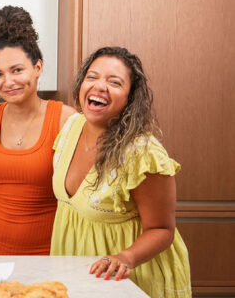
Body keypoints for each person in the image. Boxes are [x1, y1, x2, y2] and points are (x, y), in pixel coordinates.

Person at [50, 47, 191, 297]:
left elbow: (162, 230)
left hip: (129, 277)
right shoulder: (72, 126)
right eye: (92, 77)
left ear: (130, 98)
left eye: (114, 82)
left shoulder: (143, 153)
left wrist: (125, 257)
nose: (99, 86)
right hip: (75, 271)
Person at [0, 6, 77, 255]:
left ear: (38, 67)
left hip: (44, 250)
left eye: (17, 70)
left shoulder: (66, 119)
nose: (8, 82)